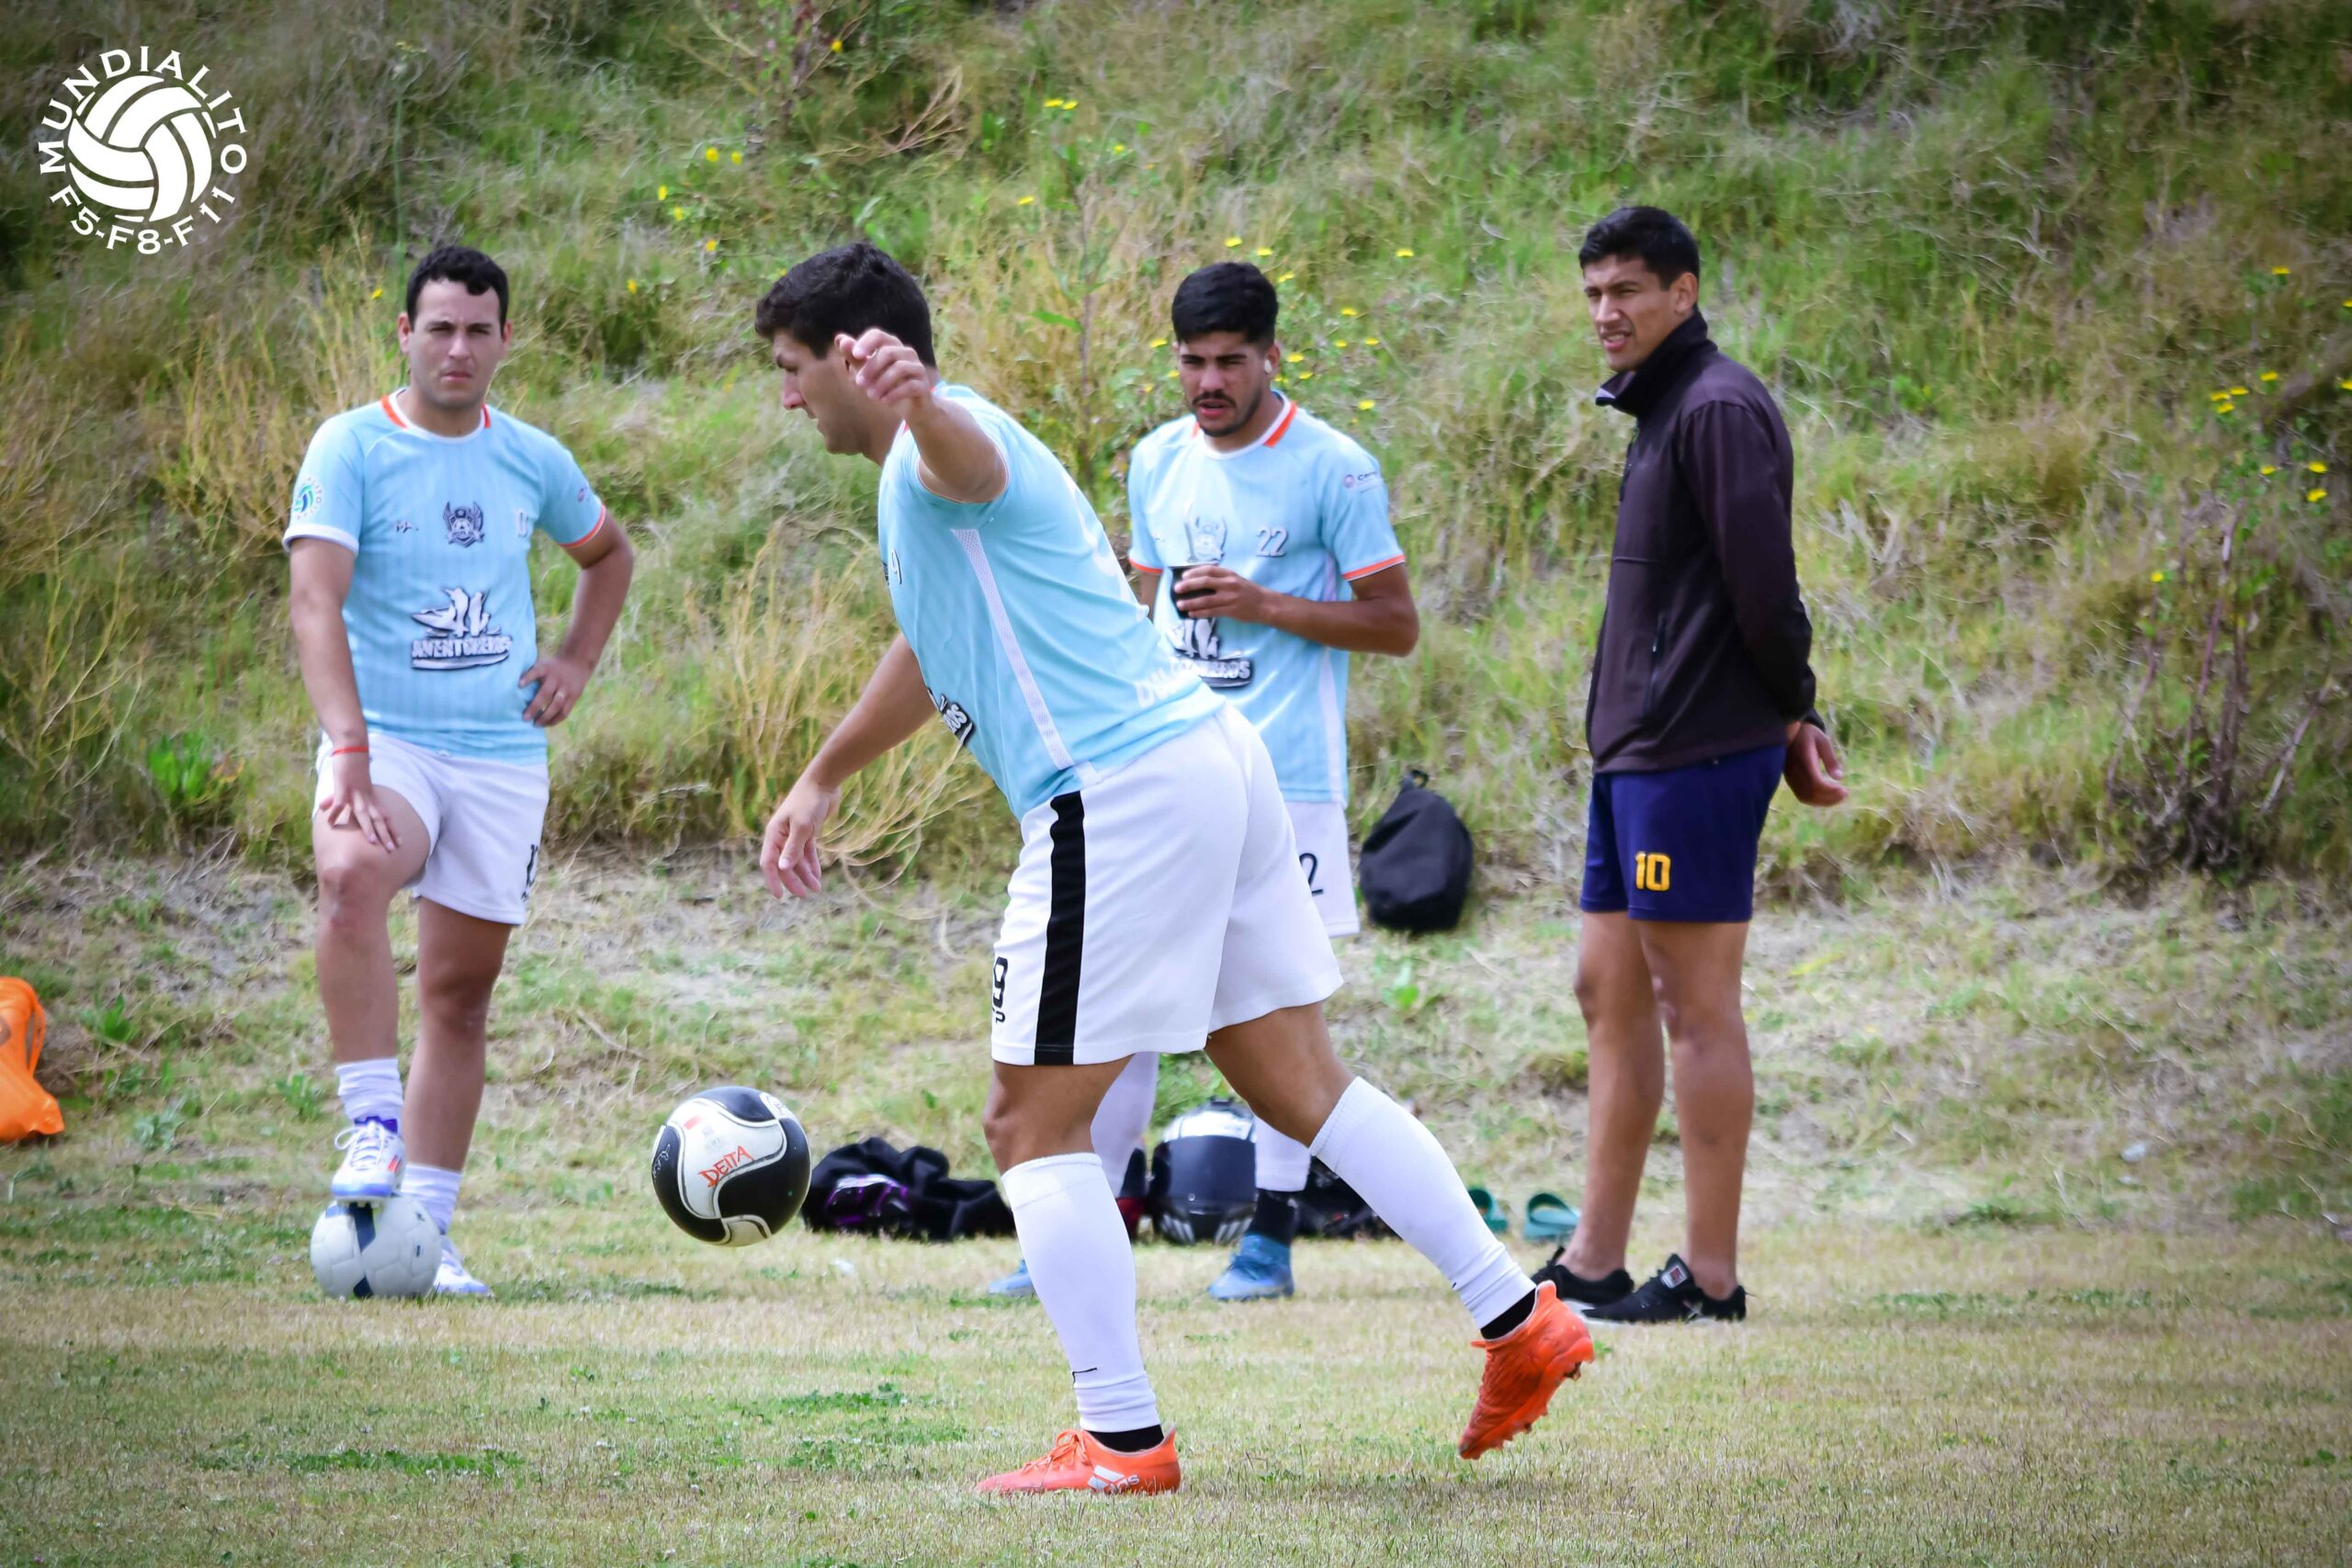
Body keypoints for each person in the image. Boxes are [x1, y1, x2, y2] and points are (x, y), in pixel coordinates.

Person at [751, 243, 1589, 1494]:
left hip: (1120, 791)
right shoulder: (915, 489)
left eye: (793, 368)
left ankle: (1122, 1438)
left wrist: (921, 403)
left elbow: (963, 457)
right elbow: (933, 649)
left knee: (1029, 1121)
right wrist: (822, 774)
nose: (786, 396)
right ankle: (1518, 1318)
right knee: (1297, 1081)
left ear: (857, 358)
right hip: (1208, 761)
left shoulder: (947, 440)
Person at [988, 261, 1418, 1304]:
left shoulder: (1336, 469)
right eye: (1192, 361)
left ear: (1273, 355)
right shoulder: (1155, 460)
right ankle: (1082, 1228)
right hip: (1159, 780)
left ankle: (1269, 1242)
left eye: (1231, 360)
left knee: (1278, 1014)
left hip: (1286, 779)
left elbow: (1396, 625)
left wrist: (1264, 605)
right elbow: (1127, 615)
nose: (1209, 381)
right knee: (1117, 1005)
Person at [286, 245, 635, 1297]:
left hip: (499, 757)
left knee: (459, 994)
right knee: (350, 874)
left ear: (505, 339)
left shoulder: (530, 457)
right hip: (387, 740)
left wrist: (575, 660)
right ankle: (371, 1126)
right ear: (405, 333)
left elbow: (608, 554)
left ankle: (426, 1237)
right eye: (438, 327)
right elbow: (314, 601)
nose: (458, 348)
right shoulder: (351, 446)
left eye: (479, 330)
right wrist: (348, 745)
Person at [1531, 207, 1847, 1325]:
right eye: (1592, 293)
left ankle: (1710, 1279)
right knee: (1605, 989)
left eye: (1626, 290)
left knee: (1692, 1004)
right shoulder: (1662, 407)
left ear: (1684, 291)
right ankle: (1593, 1261)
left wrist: (1795, 712)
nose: (1605, 313)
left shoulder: (1715, 408)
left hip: (1694, 750)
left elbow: (1766, 593)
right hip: (1634, 752)